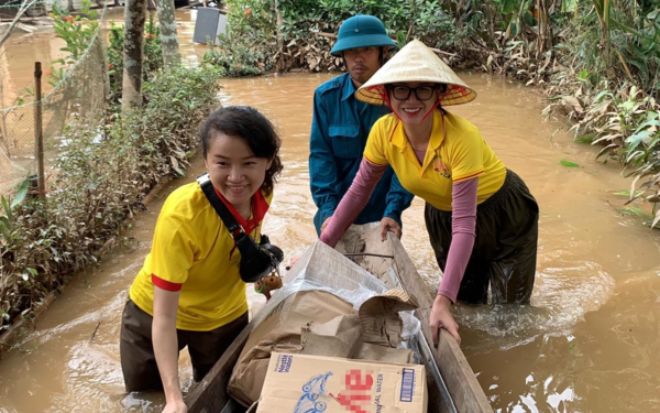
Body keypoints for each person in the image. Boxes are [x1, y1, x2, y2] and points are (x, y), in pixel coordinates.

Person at [320, 40, 539, 344]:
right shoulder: (383, 132)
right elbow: (359, 192)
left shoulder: (462, 137)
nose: (412, 100)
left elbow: (465, 222)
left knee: (509, 315)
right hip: (441, 212)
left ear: (438, 95)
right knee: (467, 300)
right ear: (387, 96)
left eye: (423, 89)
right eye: (401, 90)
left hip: (504, 211)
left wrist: (440, 300)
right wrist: (323, 245)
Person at [119, 106, 283, 413]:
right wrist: (173, 399)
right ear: (206, 160)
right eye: (222, 163)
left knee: (221, 397)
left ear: (267, 161)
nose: (236, 178)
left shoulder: (263, 191)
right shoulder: (182, 215)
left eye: (249, 163)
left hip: (222, 316)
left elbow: (251, 242)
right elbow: (164, 317)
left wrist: (269, 287)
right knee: (145, 400)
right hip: (152, 315)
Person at [309, 14, 413, 239]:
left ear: (382, 53)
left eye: (366, 50)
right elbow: (320, 157)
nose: (358, 58)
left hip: (382, 211)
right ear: (343, 56)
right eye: (351, 51)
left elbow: (406, 162)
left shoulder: (403, 99)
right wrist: (328, 211)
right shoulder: (326, 97)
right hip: (335, 207)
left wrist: (393, 210)